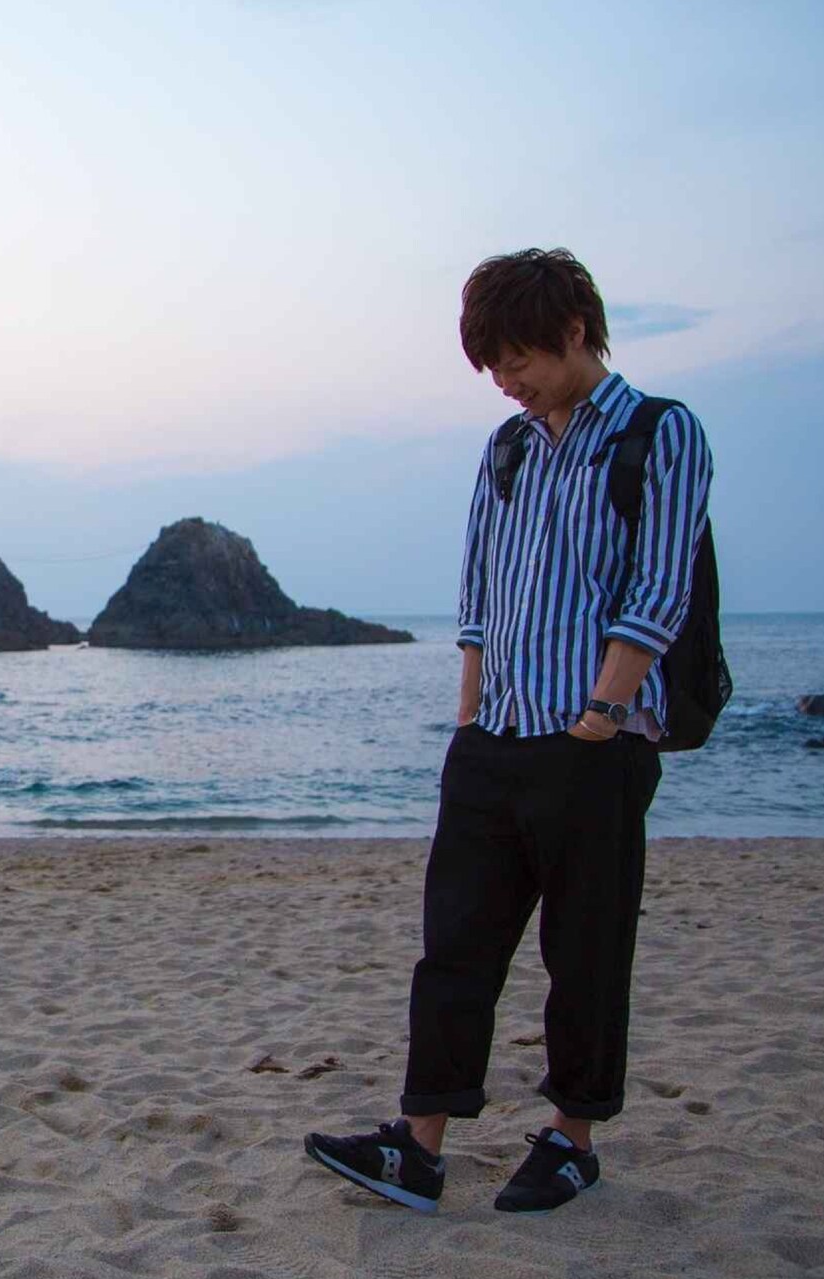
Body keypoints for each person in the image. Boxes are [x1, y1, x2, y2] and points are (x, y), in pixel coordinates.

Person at [304, 248, 713, 1215]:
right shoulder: (508, 446)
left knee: (585, 955)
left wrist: (600, 716)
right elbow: (479, 593)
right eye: (491, 365)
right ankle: (418, 1148)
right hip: (491, 741)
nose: (504, 380)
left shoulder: (659, 432)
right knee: (453, 949)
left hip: (594, 747)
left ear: (574, 331)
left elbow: (660, 588)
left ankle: (572, 1141)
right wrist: (468, 716)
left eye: (517, 358)